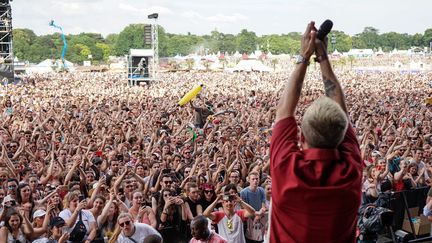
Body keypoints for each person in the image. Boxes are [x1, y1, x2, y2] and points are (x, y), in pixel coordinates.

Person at [269, 21, 362, 242]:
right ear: (341, 137)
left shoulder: (287, 167)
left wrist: (305, 56)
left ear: (301, 137)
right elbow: (339, 112)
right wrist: (322, 56)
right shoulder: (350, 170)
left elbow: (283, 111)